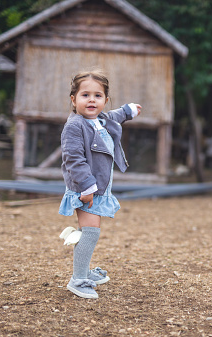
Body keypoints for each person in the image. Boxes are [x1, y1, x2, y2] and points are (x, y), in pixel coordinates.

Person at [58, 69, 141, 299]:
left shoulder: (101, 119)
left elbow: (115, 116)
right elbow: (73, 159)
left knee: (89, 231)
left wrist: (128, 111)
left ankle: (84, 271)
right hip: (85, 188)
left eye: (98, 95)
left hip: (99, 189)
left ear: (105, 100)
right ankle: (78, 279)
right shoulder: (75, 127)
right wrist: (86, 187)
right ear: (74, 100)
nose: (92, 100)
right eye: (85, 95)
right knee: (91, 232)